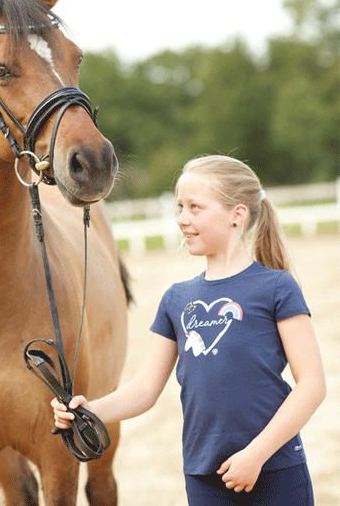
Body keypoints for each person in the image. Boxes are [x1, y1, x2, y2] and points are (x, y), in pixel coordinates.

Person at [52, 155, 326, 506]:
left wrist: (255, 455)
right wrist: (87, 410)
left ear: (236, 215)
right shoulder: (176, 300)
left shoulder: (276, 288)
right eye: (180, 207)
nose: (183, 219)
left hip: (274, 470)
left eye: (195, 207)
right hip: (203, 475)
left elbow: (312, 386)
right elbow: (144, 389)